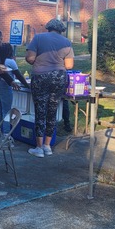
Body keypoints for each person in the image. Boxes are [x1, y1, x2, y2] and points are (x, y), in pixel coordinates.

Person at [25, 19, 74, 158]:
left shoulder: (39, 37)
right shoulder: (66, 42)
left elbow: (30, 58)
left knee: (40, 110)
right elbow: (69, 65)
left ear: (48, 28)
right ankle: (47, 146)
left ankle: (39, 148)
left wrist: (38, 61)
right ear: (61, 30)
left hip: (41, 77)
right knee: (52, 110)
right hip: (59, 77)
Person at [0, 43, 29, 133]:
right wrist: (27, 85)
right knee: (7, 112)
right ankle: (6, 134)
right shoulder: (10, 61)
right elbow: (19, 76)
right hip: (5, 87)